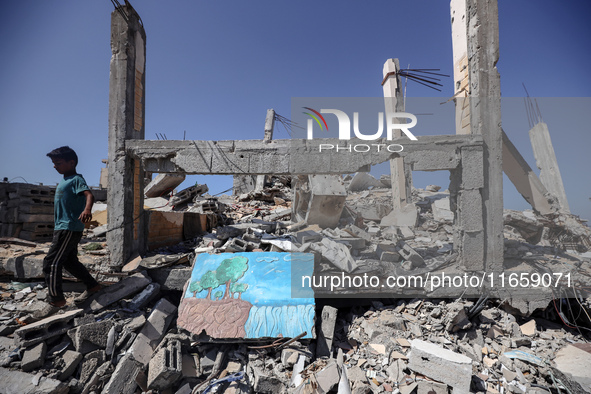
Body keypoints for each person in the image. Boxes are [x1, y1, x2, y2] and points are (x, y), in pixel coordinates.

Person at [34, 146, 102, 319]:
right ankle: (93, 286)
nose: (55, 166)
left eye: (58, 163)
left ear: (71, 162)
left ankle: (56, 301)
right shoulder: (66, 180)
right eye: (53, 163)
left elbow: (89, 195)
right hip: (62, 227)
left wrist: (87, 210)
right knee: (69, 262)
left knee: (51, 263)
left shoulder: (76, 179)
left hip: (69, 227)